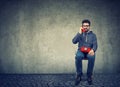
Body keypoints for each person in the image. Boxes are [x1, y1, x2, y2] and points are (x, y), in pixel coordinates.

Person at [72, 19, 98, 85]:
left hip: (89, 51)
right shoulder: (80, 34)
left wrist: (93, 50)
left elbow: (95, 44)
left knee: (92, 57)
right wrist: (79, 33)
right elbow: (74, 41)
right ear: (82, 26)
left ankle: (89, 76)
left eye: (87, 26)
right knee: (78, 56)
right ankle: (79, 75)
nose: (85, 27)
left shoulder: (93, 35)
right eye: (84, 26)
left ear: (89, 27)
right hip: (81, 51)